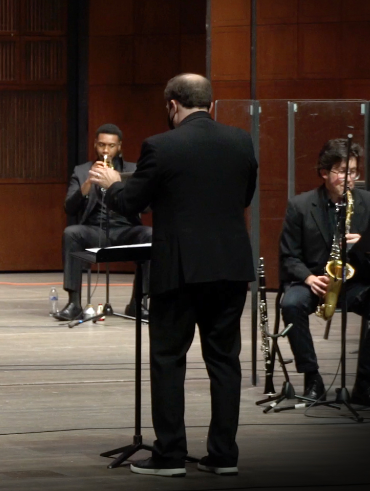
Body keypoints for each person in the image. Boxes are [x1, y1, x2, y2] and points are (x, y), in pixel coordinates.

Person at [91, 74, 257, 478]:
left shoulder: (161, 146)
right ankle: (223, 455)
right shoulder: (241, 141)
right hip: (230, 267)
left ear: (171, 105)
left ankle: (169, 456)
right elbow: (244, 196)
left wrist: (112, 184)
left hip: (180, 270)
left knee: (168, 360)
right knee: (224, 361)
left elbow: (132, 201)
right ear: (211, 105)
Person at [278, 139, 370, 401]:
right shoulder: (300, 205)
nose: (348, 178)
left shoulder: (368, 202)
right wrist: (308, 278)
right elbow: (288, 255)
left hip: (354, 282)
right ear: (324, 172)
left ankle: (364, 383)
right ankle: (312, 377)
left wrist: (363, 245)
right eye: (341, 171)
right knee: (291, 304)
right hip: (313, 280)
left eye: (352, 172)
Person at [56, 124, 151, 321]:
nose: (105, 151)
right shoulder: (82, 171)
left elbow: (147, 207)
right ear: (95, 145)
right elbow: (69, 208)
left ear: (119, 147)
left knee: (150, 234)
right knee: (71, 232)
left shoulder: (133, 170)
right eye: (101, 145)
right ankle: (74, 303)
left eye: (111, 146)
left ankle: (138, 303)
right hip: (94, 230)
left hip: (126, 231)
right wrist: (87, 184)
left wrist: (121, 183)